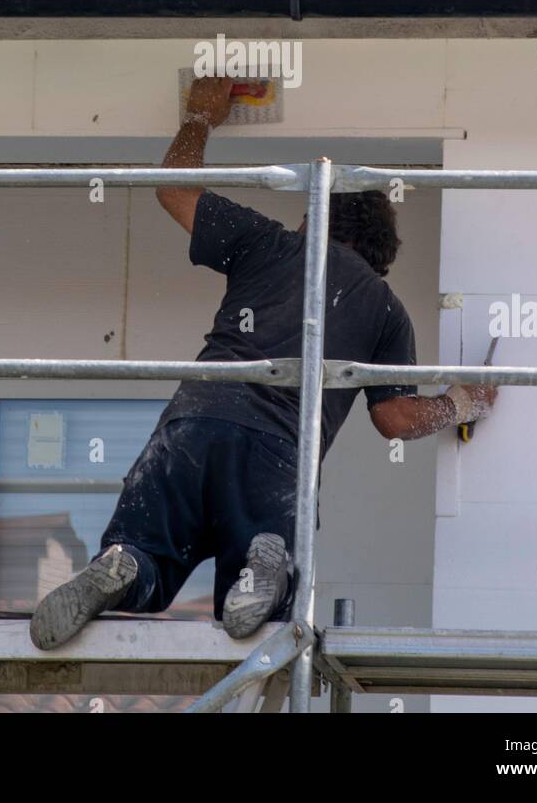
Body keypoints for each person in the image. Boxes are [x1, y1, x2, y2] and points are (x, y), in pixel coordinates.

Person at [30, 76, 496, 649]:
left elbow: (173, 189)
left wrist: (200, 119)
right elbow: (395, 419)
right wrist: (462, 402)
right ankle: (262, 563)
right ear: (380, 253)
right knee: (256, 610)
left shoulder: (268, 242)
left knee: (145, 554)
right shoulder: (385, 309)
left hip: (191, 425)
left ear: (314, 220)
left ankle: (124, 565)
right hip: (277, 452)